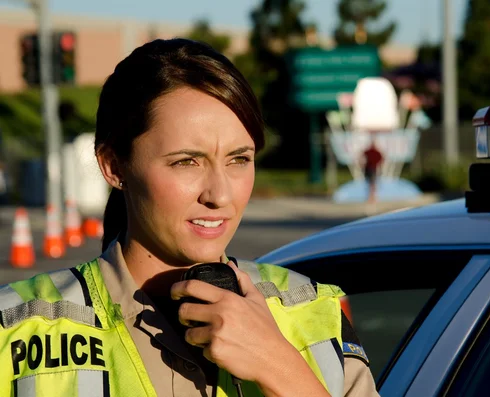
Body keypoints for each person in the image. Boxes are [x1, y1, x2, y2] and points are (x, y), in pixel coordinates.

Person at [0, 39, 379, 397]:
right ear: (114, 166)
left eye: (239, 159)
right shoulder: (16, 327)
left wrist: (278, 366)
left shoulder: (312, 308)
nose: (220, 195)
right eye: (186, 161)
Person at [362, 140, 383, 210]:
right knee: (372, 184)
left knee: (371, 184)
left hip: (371, 169)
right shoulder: (374, 152)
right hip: (372, 169)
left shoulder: (371, 152)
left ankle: (372, 198)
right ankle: (372, 198)